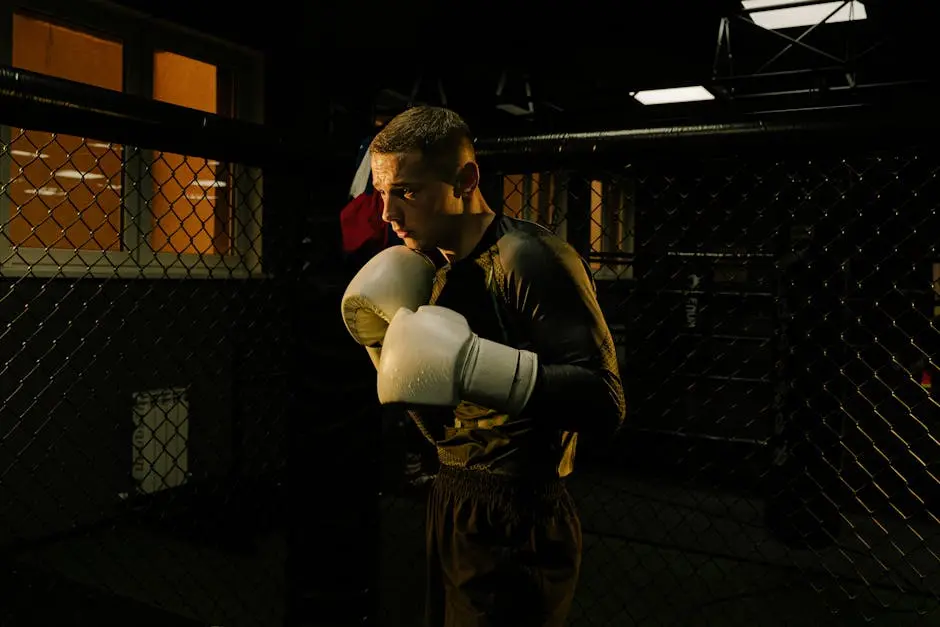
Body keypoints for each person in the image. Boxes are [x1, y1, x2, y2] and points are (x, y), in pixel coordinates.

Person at [341, 106, 625, 627]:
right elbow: (442, 428)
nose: (387, 214)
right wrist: (387, 355)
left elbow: (604, 400)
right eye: (381, 194)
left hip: (520, 511)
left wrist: (474, 364)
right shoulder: (435, 273)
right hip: (452, 497)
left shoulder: (531, 258)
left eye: (406, 191)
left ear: (466, 180)